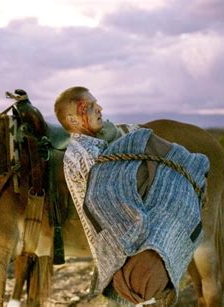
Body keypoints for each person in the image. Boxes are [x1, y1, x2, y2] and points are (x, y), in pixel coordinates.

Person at [54, 86, 208, 305]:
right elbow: (110, 203)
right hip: (124, 251)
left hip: (131, 246)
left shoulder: (106, 141)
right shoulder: (83, 155)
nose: (99, 108)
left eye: (96, 103)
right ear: (74, 120)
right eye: (89, 107)